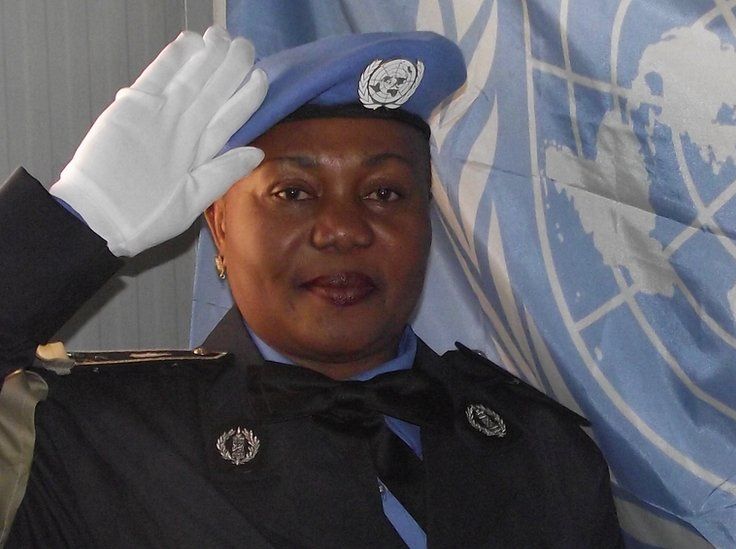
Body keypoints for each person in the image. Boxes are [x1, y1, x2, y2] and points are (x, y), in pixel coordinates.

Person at [0, 26, 622, 547]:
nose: (344, 231)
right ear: (218, 225)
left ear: (427, 224)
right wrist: (77, 222)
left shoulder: (541, 452)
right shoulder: (89, 440)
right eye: (293, 194)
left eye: (385, 193)